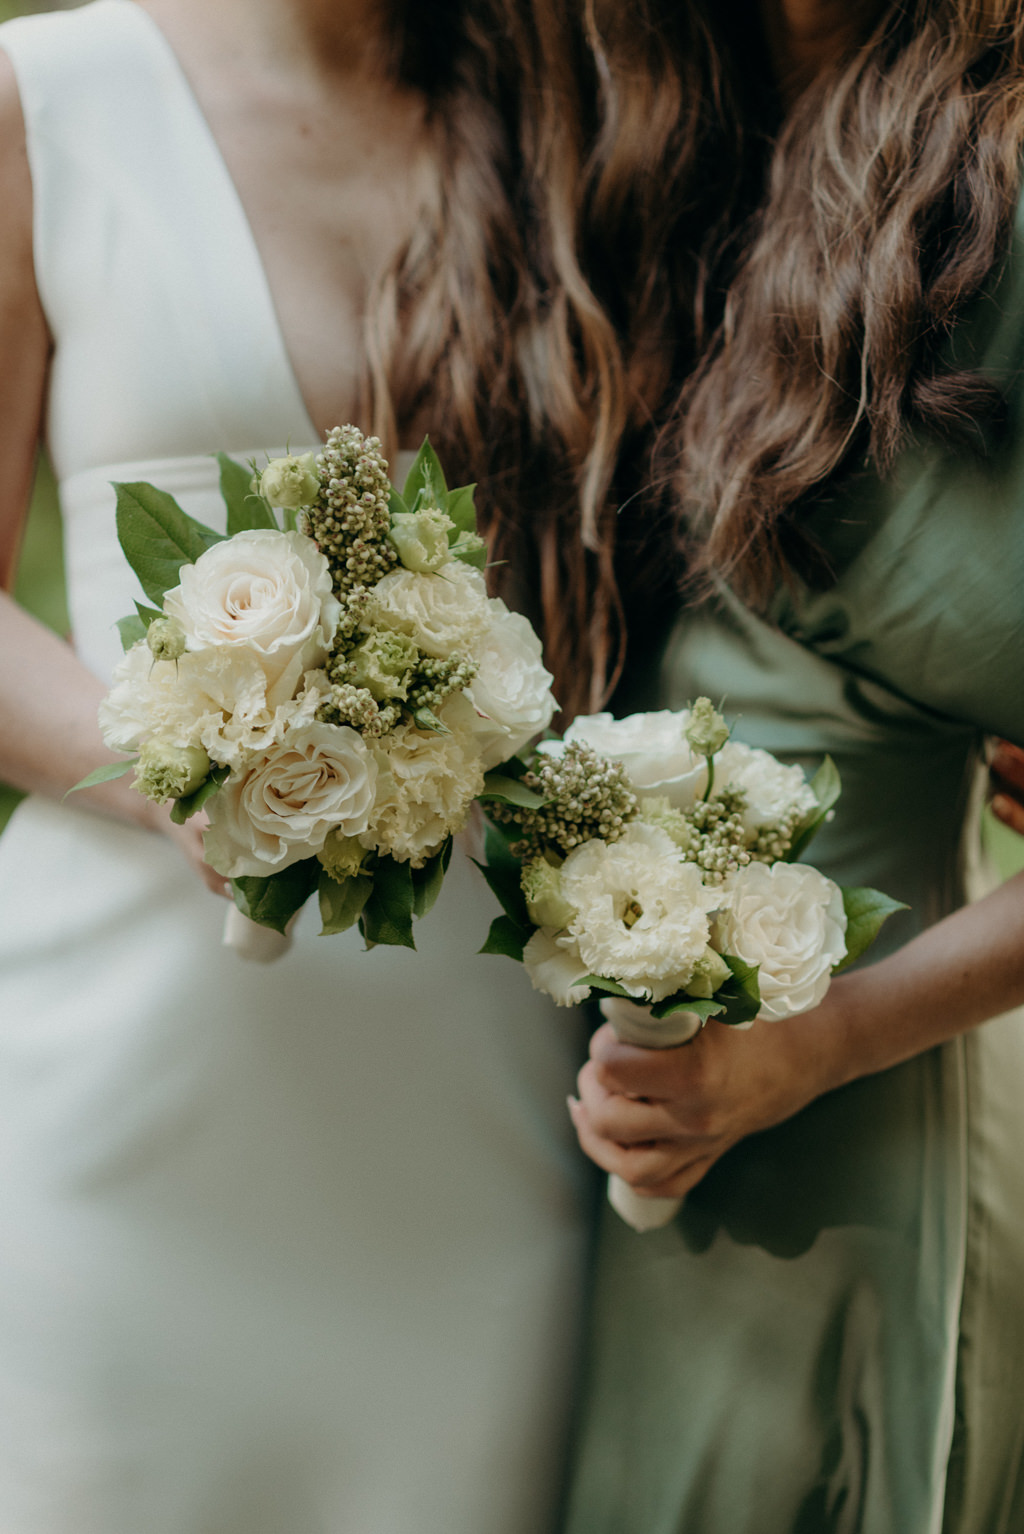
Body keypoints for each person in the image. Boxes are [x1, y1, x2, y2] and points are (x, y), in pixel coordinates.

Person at [0, 2, 610, 1529]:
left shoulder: (576, 112)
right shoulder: (46, 95)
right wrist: (175, 768)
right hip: (129, 1079)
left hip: (469, 1095)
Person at [563, 2, 1024, 1530]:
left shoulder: (1004, 170)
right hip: (565, 1104)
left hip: (850, 1085)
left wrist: (821, 1045)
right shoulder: (629, 122)